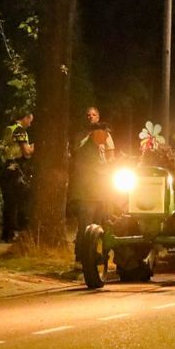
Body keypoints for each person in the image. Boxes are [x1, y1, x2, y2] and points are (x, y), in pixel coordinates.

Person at [69, 107, 114, 265]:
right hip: (86, 190)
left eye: (93, 115)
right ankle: (82, 256)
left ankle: (96, 255)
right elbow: (80, 158)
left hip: (100, 189)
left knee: (99, 223)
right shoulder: (82, 138)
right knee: (85, 223)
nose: (90, 117)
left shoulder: (103, 137)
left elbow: (110, 157)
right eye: (88, 115)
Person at [0, 112, 34, 242]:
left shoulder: (9, 129)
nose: (31, 123)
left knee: (9, 202)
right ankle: (18, 231)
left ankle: (7, 233)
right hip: (17, 168)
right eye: (30, 120)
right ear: (25, 118)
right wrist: (35, 147)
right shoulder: (20, 131)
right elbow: (26, 151)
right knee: (21, 201)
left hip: (7, 167)